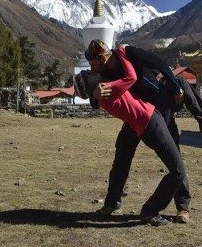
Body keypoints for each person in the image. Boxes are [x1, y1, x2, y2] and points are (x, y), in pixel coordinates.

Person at [82, 39, 202, 223]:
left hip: (160, 103)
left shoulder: (128, 54)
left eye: (93, 63)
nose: (92, 68)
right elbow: (95, 96)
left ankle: (182, 206)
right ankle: (111, 203)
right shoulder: (105, 73)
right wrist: (95, 96)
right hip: (137, 113)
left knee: (173, 154)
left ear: (102, 58)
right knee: (122, 156)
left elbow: (159, 63)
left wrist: (175, 89)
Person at [74, 45, 188, 226]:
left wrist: (94, 95)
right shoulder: (108, 88)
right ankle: (150, 211)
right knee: (177, 169)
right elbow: (131, 77)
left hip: (151, 116)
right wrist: (121, 52)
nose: (90, 70)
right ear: (92, 85)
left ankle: (116, 204)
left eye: (91, 67)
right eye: (89, 74)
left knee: (127, 159)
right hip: (149, 123)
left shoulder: (104, 86)